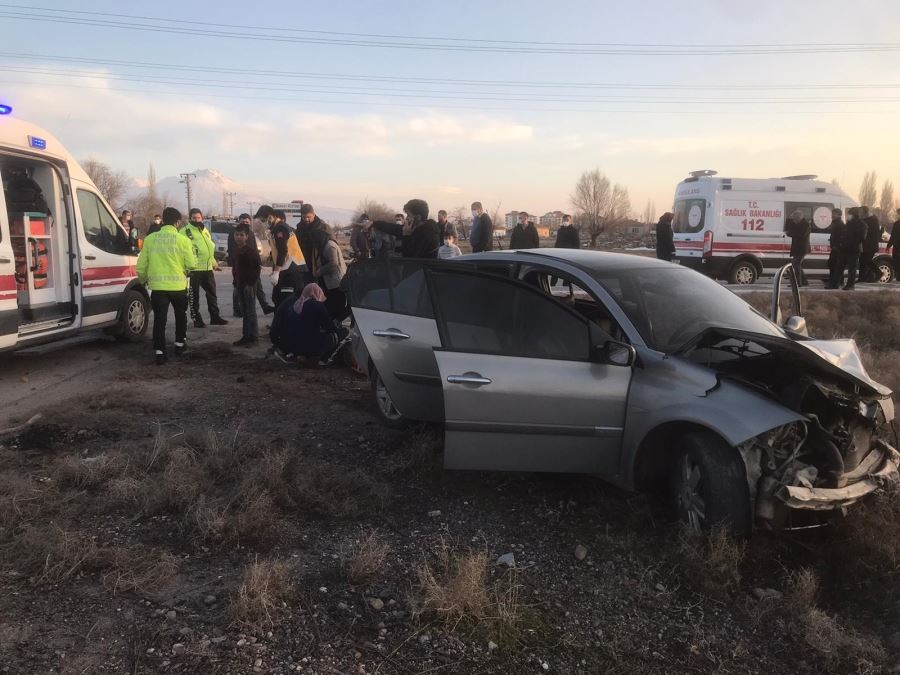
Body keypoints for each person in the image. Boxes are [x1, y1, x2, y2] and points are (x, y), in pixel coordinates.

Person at [136, 207, 196, 365]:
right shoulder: (183, 240)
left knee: (159, 319)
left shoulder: (150, 239)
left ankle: (159, 351)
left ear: (162, 220)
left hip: (158, 288)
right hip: (178, 287)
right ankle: (179, 344)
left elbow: (141, 267)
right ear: (177, 222)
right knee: (180, 316)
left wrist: (144, 281)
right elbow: (191, 264)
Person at [270, 283, 348, 364]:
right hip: (311, 346)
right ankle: (324, 360)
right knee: (343, 333)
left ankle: (307, 356)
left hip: (292, 347)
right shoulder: (317, 305)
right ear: (317, 293)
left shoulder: (295, 304)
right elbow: (331, 328)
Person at [181, 207, 227, 327]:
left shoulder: (204, 230)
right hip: (193, 270)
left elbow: (209, 248)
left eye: (199, 218)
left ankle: (215, 317)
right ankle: (197, 319)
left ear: (202, 218)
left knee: (212, 293)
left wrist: (214, 263)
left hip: (207, 268)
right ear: (190, 218)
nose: (197, 220)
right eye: (194, 218)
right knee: (194, 296)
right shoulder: (184, 231)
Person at [229, 213, 274, 317]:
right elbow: (232, 250)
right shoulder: (235, 234)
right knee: (238, 288)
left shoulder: (250, 234)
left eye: (247, 222)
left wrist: (258, 262)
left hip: (252, 266)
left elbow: (254, 249)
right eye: (243, 221)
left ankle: (265, 306)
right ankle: (237, 309)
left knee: (258, 286)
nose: (245, 223)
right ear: (239, 221)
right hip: (240, 267)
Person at [371, 199, 442, 259]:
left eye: (409, 215)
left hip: (422, 273)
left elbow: (410, 257)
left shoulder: (428, 234)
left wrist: (406, 236)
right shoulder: (415, 228)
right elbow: (394, 228)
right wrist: (374, 223)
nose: (407, 218)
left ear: (418, 217)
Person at [256, 205, 297, 307]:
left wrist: (276, 272)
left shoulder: (280, 229)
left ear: (270, 217)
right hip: (288, 268)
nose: (263, 223)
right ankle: (279, 323)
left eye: (263, 220)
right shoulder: (280, 227)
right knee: (277, 297)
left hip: (290, 271)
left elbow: (283, 251)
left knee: (283, 300)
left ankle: (283, 323)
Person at [308, 227, 350, 321]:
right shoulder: (321, 246)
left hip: (336, 283)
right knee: (330, 307)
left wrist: (320, 271)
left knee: (336, 307)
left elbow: (333, 263)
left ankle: (336, 326)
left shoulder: (330, 246)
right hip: (328, 284)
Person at [231, 222, 262, 347]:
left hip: (249, 286)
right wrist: (235, 283)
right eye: (237, 235)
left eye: (242, 235)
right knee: (244, 311)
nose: (239, 237)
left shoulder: (250, 252)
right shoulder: (235, 251)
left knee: (250, 311)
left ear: (247, 236)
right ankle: (245, 336)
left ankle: (254, 337)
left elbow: (256, 269)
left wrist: (250, 284)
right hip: (239, 284)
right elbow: (235, 269)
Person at [841, 207, 867, 291]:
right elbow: (845, 234)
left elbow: (861, 237)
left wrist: (850, 243)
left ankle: (850, 285)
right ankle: (844, 283)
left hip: (854, 249)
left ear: (853, 214)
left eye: (849, 214)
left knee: (852, 268)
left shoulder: (862, 224)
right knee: (843, 266)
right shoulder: (849, 223)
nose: (847, 216)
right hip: (846, 248)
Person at [784, 209, 810, 286]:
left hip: (802, 248)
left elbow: (801, 234)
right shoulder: (798, 224)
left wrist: (790, 233)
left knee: (796, 265)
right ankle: (804, 281)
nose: (794, 221)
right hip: (797, 248)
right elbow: (794, 231)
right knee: (797, 265)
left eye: (795, 219)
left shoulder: (806, 224)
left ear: (799, 218)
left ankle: (798, 283)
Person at [824, 208, 846, 289]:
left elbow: (841, 236)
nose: (832, 215)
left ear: (839, 215)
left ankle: (835, 282)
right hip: (835, 247)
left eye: (834, 214)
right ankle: (837, 281)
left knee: (833, 264)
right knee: (833, 264)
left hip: (837, 248)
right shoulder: (835, 222)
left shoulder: (839, 223)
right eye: (832, 213)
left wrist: (837, 245)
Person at [860, 206, 883, 282]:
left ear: (865, 212)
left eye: (861, 212)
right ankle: (863, 278)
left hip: (870, 245)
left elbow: (872, 234)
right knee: (863, 261)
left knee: (867, 260)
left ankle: (878, 273)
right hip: (866, 245)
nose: (860, 214)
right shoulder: (868, 219)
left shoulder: (872, 220)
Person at [886, 207, 900, 282]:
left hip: (898, 247)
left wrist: (888, 246)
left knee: (897, 263)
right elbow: (893, 236)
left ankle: (898, 278)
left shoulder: (897, 224)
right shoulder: (897, 223)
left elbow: (893, 236)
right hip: (897, 247)